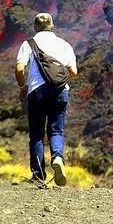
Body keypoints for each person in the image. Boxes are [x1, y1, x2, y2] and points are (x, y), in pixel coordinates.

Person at [15, 13, 77, 187]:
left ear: (35, 27)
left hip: (37, 91)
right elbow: (73, 71)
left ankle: (38, 175)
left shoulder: (28, 44)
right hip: (60, 91)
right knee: (56, 131)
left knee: (36, 134)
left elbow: (19, 69)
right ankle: (57, 157)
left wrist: (23, 86)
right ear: (52, 26)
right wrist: (58, 79)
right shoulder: (64, 44)